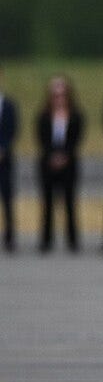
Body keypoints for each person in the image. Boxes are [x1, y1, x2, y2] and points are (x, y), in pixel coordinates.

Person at [36, 76, 84, 253]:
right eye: (55, 94)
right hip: (47, 163)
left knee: (70, 202)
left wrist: (65, 156)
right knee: (47, 202)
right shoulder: (43, 116)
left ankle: (72, 240)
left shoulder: (76, 116)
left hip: (69, 162)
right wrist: (52, 156)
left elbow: (76, 139)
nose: (59, 98)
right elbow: (41, 139)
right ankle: (46, 239)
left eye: (62, 94)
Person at [0, 64, 18, 252]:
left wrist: (3, 149)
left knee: (7, 199)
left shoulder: (9, 105)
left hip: (4, 160)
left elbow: (13, 129)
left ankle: (10, 237)